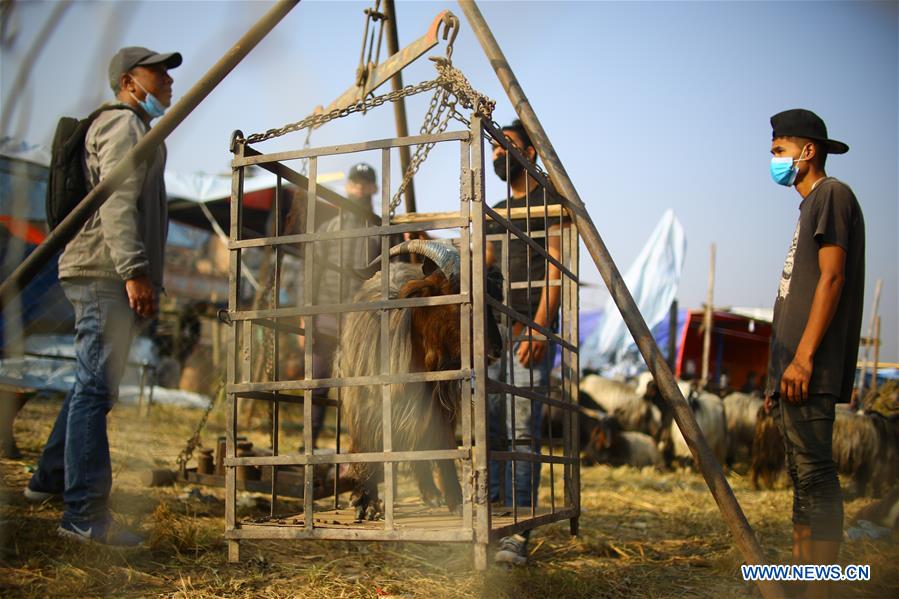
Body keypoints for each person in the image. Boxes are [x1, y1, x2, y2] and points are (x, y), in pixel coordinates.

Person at [24, 47, 181, 546]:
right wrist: (135, 271)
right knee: (96, 390)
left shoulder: (140, 127)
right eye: (158, 72)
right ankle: (84, 516)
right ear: (129, 81)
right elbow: (117, 201)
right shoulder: (122, 124)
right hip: (103, 271)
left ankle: (49, 480)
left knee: (90, 384)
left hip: (105, 270)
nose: (168, 81)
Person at [764, 108, 865, 597]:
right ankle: (802, 579)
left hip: (811, 368)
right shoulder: (808, 208)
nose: (774, 160)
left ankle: (821, 589)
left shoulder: (831, 196)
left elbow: (832, 278)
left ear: (807, 152)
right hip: (791, 374)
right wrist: (774, 379)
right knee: (803, 481)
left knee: (818, 478)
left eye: (780, 151)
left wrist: (803, 359)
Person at [485, 120, 564, 565]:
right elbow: (487, 262)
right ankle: (496, 518)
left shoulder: (546, 203)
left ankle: (519, 529)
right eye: (494, 148)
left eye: (507, 147)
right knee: (491, 430)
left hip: (528, 335)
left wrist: (537, 327)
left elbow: (555, 271)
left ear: (530, 154)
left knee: (519, 433)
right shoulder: (497, 208)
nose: (498, 154)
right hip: (498, 335)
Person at [307, 163, 380, 446]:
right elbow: (312, 274)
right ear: (347, 186)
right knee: (316, 383)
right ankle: (308, 444)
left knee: (359, 389)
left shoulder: (379, 230)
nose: (359, 188)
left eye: (365, 183)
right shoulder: (328, 229)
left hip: (361, 321)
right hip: (325, 314)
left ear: (373, 188)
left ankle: (356, 450)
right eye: (355, 182)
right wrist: (307, 316)